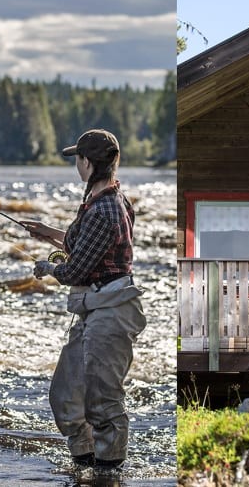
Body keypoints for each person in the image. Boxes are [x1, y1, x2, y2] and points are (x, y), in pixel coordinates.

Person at [21, 129, 146, 472]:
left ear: (87, 163)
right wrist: (48, 232)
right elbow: (89, 247)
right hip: (95, 308)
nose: (76, 165)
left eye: (77, 158)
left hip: (112, 311)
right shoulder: (101, 200)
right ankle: (84, 465)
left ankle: (108, 473)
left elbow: (75, 270)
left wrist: (48, 267)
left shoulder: (106, 208)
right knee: (66, 396)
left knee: (103, 403)